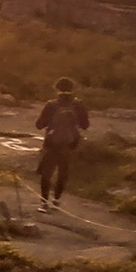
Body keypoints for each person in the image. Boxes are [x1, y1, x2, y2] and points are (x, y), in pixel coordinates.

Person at [34, 78, 89, 211]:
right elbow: (85, 125)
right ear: (73, 89)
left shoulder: (51, 105)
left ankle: (44, 202)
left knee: (47, 173)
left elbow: (39, 125)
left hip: (52, 143)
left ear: (56, 89)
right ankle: (56, 200)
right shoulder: (78, 105)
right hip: (70, 144)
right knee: (63, 173)